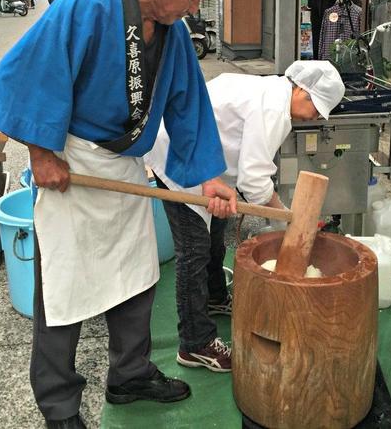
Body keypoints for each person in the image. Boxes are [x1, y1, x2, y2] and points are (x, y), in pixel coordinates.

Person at [0, 0, 237, 429]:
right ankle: (59, 406)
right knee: (63, 288)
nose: (194, 10)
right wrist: (41, 151)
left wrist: (209, 177)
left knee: (136, 277)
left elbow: (189, 107)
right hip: (72, 166)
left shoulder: (174, 34)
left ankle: (129, 374)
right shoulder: (87, 5)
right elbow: (30, 73)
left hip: (123, 171)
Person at [146, 60, 346, 373]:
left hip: (208, 163)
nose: (316, 119)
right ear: (303, 92)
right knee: (194, 249)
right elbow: (253, 179)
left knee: (215, 232)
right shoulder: (271, 108)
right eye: (317, 110)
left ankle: (212, 296)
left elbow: (249, 165)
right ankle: (194, 343)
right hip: (179, 155)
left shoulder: (273, 94)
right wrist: (284, 219)